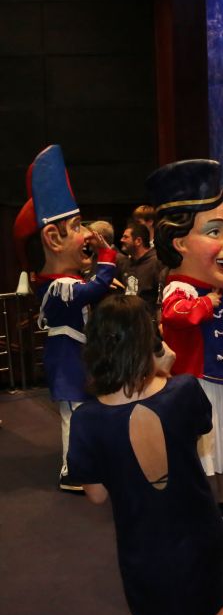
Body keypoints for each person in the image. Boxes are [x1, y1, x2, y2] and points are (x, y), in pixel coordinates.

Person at [67, 295, 223, 615]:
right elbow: (199, 430)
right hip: (200, 528)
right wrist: (165, 372)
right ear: (149, 340)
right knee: (212, 613)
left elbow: (96, 495)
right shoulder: (183, 390)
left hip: (144, 543)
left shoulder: (87, 420)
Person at [149, 159, 223, 525]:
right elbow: (174, 315)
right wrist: (204, 303)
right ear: (180, 242)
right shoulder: (180, 287)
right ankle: (193, 501)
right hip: (194, 385)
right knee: (199, 447)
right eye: (215, 232)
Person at [12, 145, 118, 493]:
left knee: (82, 411)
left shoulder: (64, 282)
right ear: (53, 239)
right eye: (76, 227)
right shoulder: (59, 285)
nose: (86, 234)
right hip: (67, 357)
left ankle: (86, 463)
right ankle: (72, 470)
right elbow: (93, 290)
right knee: (73, 415)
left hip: (76, 354)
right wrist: (105, 256)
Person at [119, 221, 163, 317]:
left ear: (138, 241)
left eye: (126, 237)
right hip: (128, 320)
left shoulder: (156, 262)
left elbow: (161, 296)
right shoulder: (126, 263)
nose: (121, 240)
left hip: (147, 322)